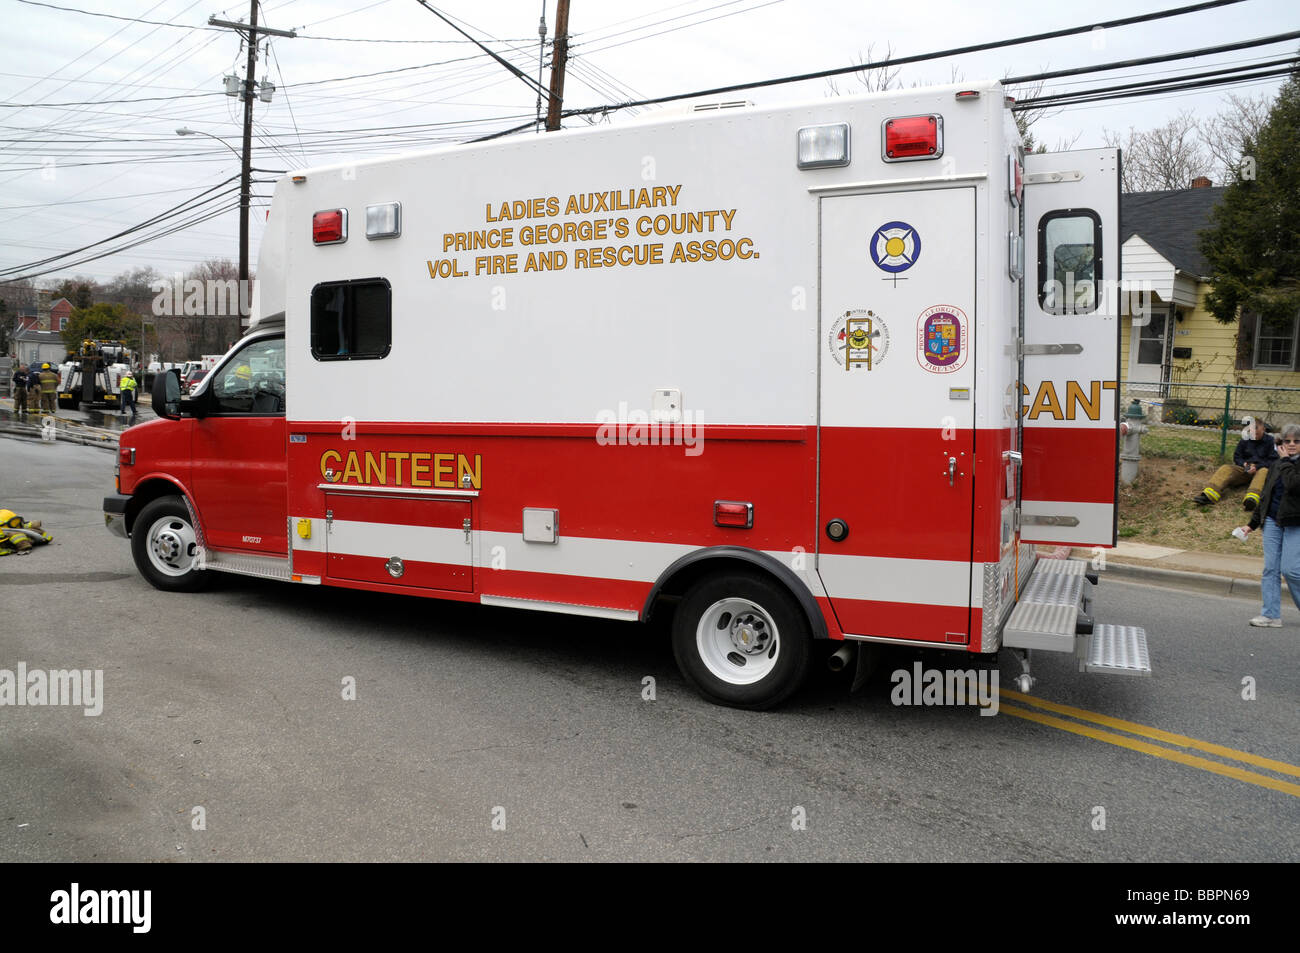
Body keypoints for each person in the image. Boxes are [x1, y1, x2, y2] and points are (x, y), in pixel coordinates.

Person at [1236, 422, 1300, 627]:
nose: (1291, 445)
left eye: (1296, 441)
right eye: (1287, 441)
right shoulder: (1277, 464)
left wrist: (1286, 461)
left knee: (1291, 570)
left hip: (1295, 523)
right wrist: (1252, 524)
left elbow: (1293, 485)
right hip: (1272, 520)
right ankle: (1271, 614)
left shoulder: (1286, 463)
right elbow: (1267, 494)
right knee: (1270, 569)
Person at [1194, 416, 1278, 510]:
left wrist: (1257, 466)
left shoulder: (1271, 441)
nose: (1253, 431)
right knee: (1226, 468)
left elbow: (1273, 460)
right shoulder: (1244, 440)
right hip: (1246, 469)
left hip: (1261, 471)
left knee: (1263, 471)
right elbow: (1237, 456)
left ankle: (1252, 499)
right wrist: (1244, 465)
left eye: (1256, 428)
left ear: (1263, 429)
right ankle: (1208, 495)